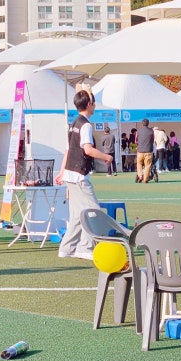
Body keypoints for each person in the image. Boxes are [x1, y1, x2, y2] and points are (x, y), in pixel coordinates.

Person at [55, 85, 113, 261]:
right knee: (93, 211)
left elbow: (68, 150)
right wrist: (106, 157)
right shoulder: (85, 125)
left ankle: (66, 248)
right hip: (79, 175)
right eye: (94, 103)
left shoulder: (73, 124)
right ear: (89, 104)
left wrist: (61, 172)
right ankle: (84, 247)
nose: (95, 106)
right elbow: (87, 149)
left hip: (70, 174)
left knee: (77, 214)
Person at [135, 118, 154, 183]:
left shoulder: (138, 131)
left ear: (142, 123)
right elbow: (153, 140)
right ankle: (145, 179)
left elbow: (136, 141)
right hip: (148, 150)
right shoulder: (151, 131)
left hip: (140, 151)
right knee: (147, 165)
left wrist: (138, 146)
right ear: (148, 124)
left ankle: (140, 176)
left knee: (139, 164)